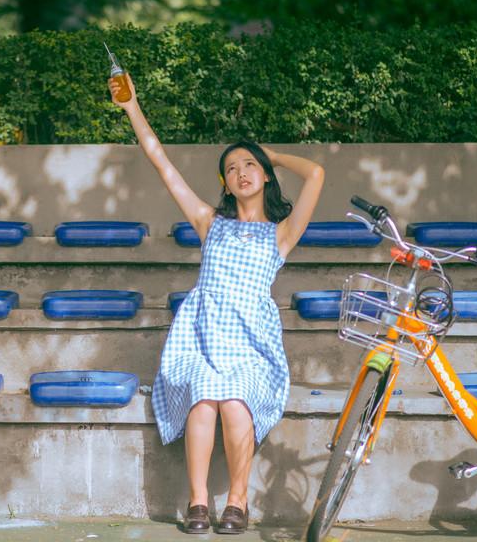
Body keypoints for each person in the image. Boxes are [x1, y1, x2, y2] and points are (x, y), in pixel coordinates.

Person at [109, 73, 324, 535]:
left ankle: (239, 502)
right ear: (225, 184)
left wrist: (271, 156)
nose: (241, 172)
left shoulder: (281, 234)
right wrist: (132, 108)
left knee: (236, 404)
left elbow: (317, 174)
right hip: (203, 340)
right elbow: (161, 162)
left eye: (250, 165)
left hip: (251, 347)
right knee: (203, 402)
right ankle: (199, 503)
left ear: (264, 175)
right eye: (231, 168)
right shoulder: (210, 223)